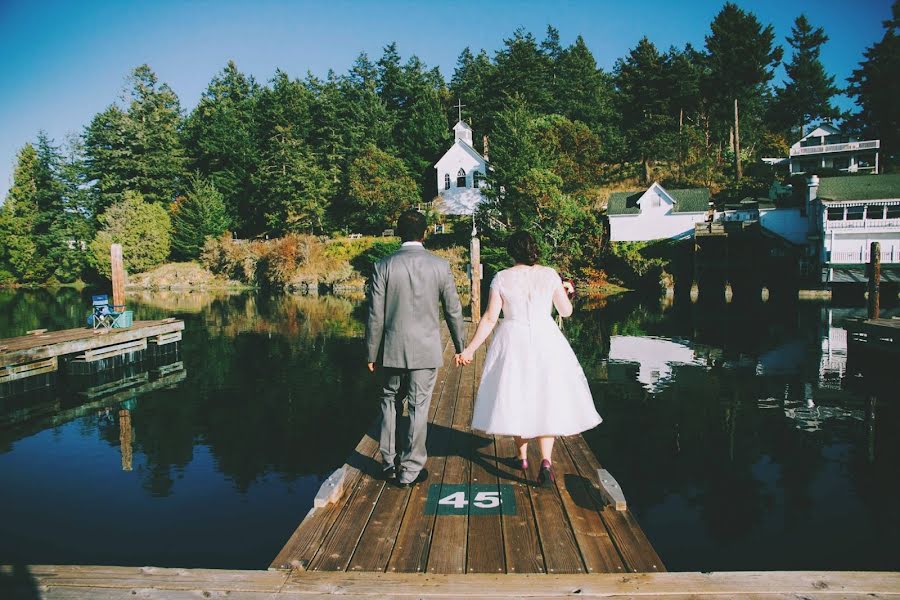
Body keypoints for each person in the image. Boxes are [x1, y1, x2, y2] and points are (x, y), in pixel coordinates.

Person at [456, 231, 601, 487]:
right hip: (547, 340)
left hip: (514, 339)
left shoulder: (501, 277)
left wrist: (469, 350)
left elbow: (490, 318)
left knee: (516, 395)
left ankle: (521, 457)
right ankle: (546, 461)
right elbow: (566, 312)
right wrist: (568, 290)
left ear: (512, 252)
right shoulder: (550, 274)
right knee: (546, 396)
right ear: (535, 249)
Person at [366, 209, 467, 487]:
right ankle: (410, 470)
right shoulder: (440, 266)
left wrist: (371, 353)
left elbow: (375, 315)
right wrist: (461, 346)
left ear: (399, 233)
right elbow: (453, 310)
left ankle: (388, 463)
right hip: (425, 349)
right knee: (418, 407)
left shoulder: (383, 265)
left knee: (389, 401)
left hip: (391, 348)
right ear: (425, 234)